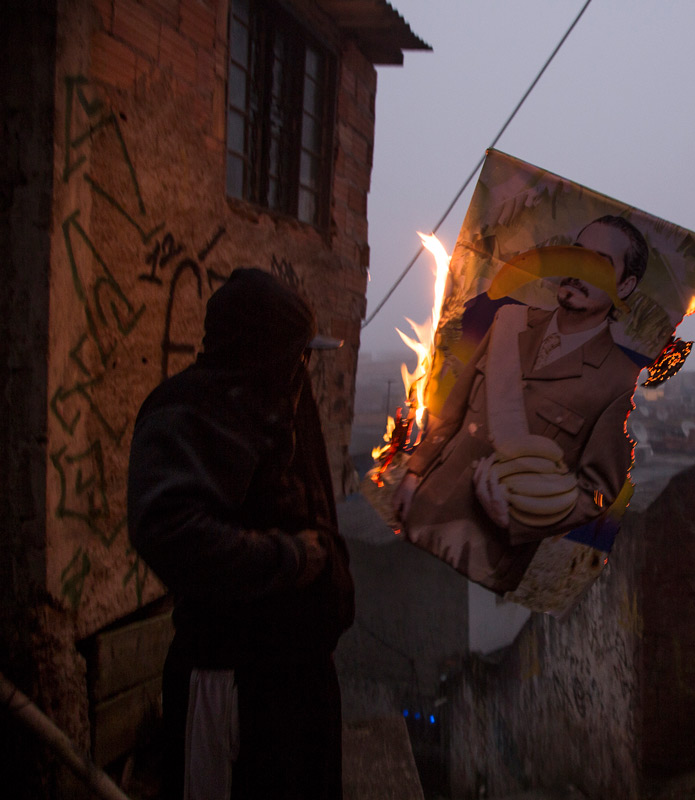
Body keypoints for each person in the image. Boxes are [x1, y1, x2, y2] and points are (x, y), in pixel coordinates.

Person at [128, 268, 355, 800]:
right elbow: (172, 532)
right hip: (232, 687)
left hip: (302, 685)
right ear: (261, 350)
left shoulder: (286, 405)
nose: (303, 367)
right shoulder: (188, 412)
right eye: (294, 353)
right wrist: (290, 559)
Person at [391, 215, 648, 593]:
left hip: (486, 555)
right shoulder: (509, 321)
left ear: (624, 285)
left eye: (599, 263)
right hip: (424, 510)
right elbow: (454, 412)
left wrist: (517, 519)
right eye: (575, 256)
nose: (578, 271)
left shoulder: (619, 381)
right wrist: (415, 473)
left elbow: (596, 494)